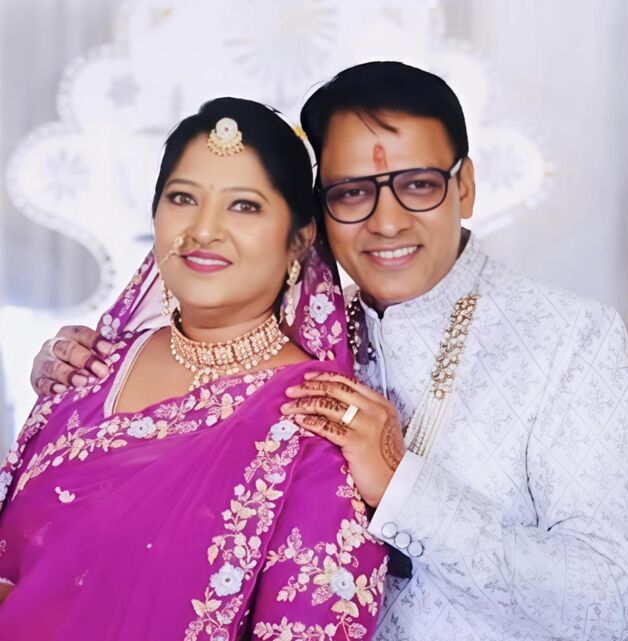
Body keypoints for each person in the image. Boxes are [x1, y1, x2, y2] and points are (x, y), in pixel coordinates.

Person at [27, 62, 628, 641]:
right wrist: (77, 397)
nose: (388, 222)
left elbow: (615, 603)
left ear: (466, 187)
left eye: (419, 185)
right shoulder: (293, 345)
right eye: (351, 193)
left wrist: (403, 488)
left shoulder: (568, 339)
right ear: (318, 217)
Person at [0, 97, 388, 641]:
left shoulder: (315, 419)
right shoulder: (91, 368)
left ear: (299, 239)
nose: (204, 229)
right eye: (183, 198)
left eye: (244, 206)